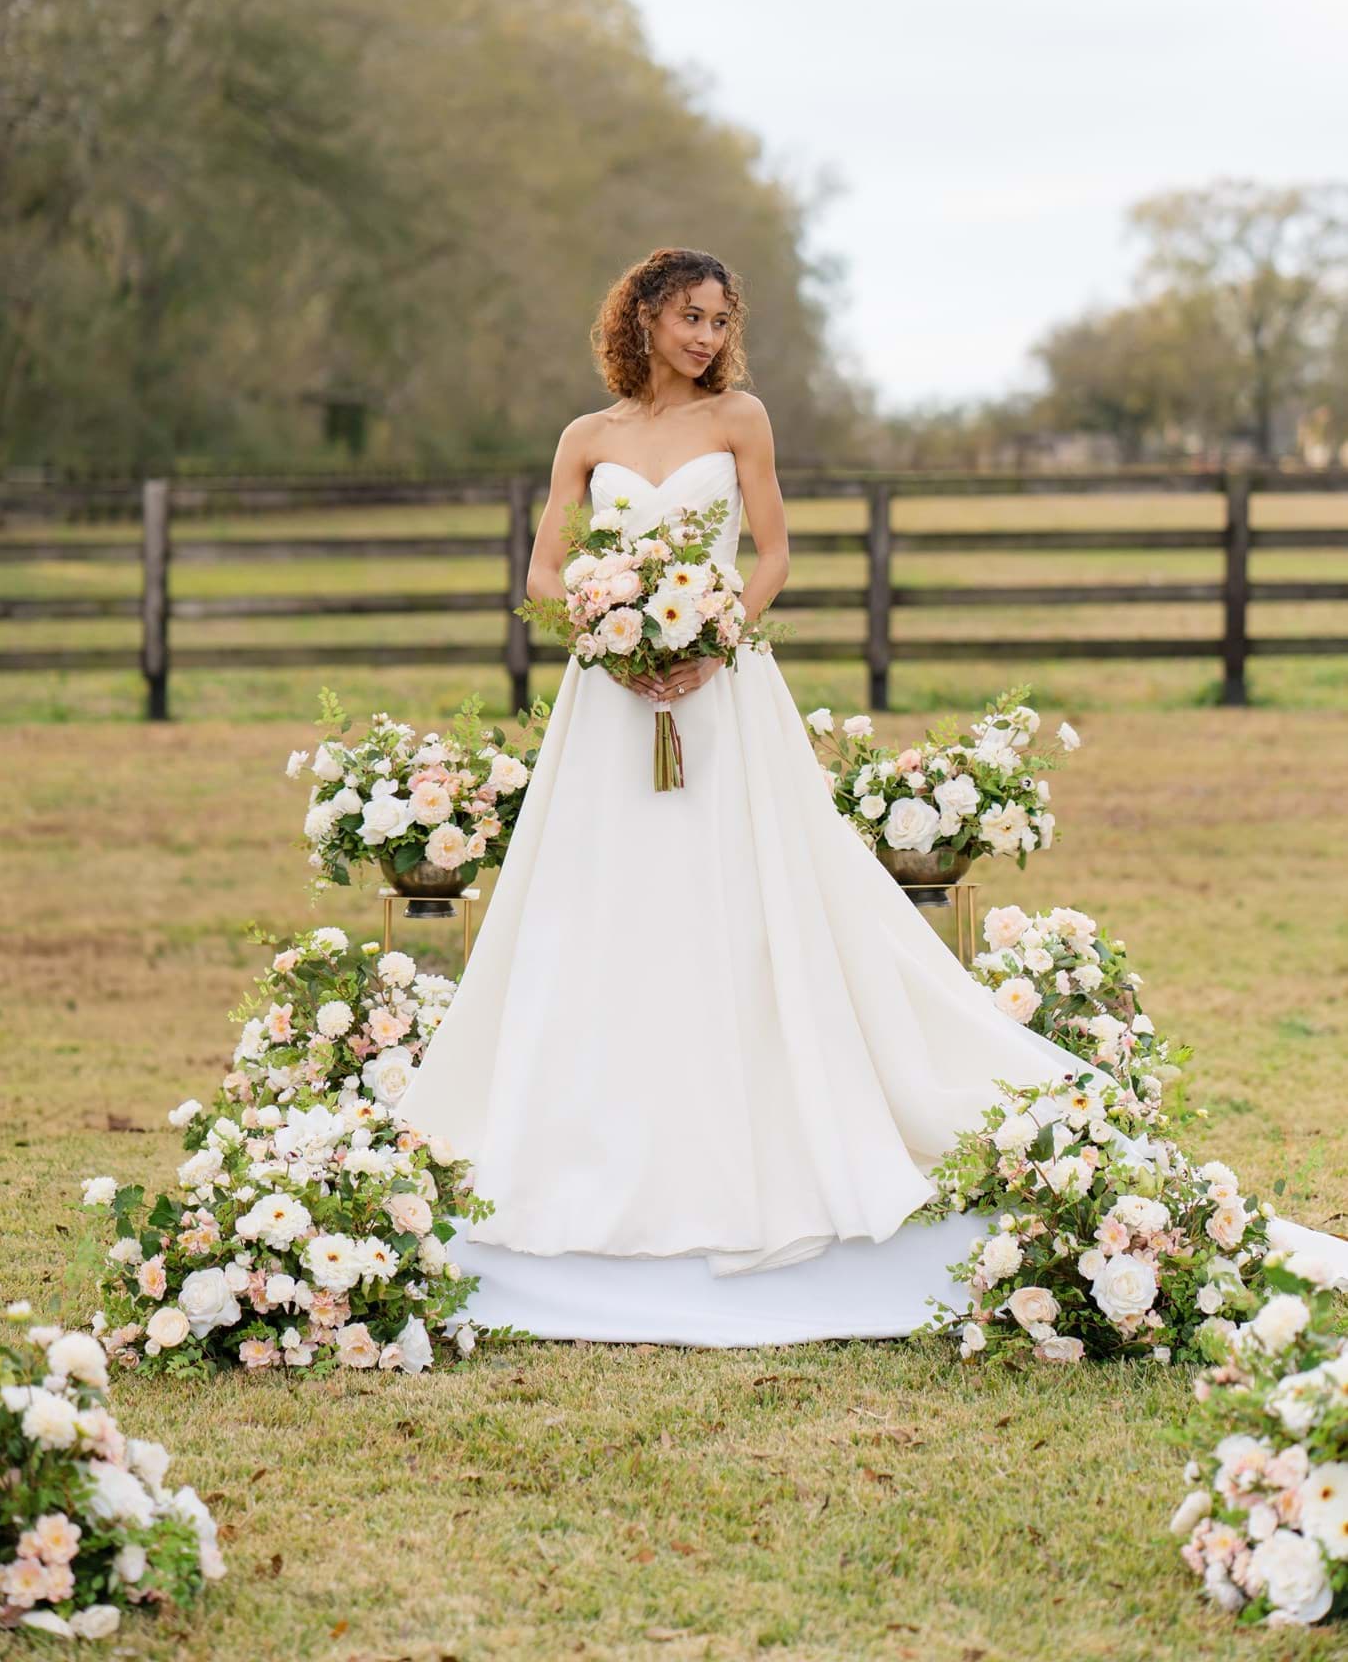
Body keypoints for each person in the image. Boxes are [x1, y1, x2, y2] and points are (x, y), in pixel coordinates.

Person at [396, 247, 1346, 1345]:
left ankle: (755, 1127)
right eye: (689, 316)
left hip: (719, 686)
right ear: (643, 316)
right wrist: (606, 628)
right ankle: (588, 1141)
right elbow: (542, 574)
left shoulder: (740, 418)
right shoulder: (587, 439)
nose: (707, 336)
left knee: (739, 895)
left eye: (720, 318)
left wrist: (710, 631)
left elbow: (774, 549)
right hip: (607, 699)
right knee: (603, 898)